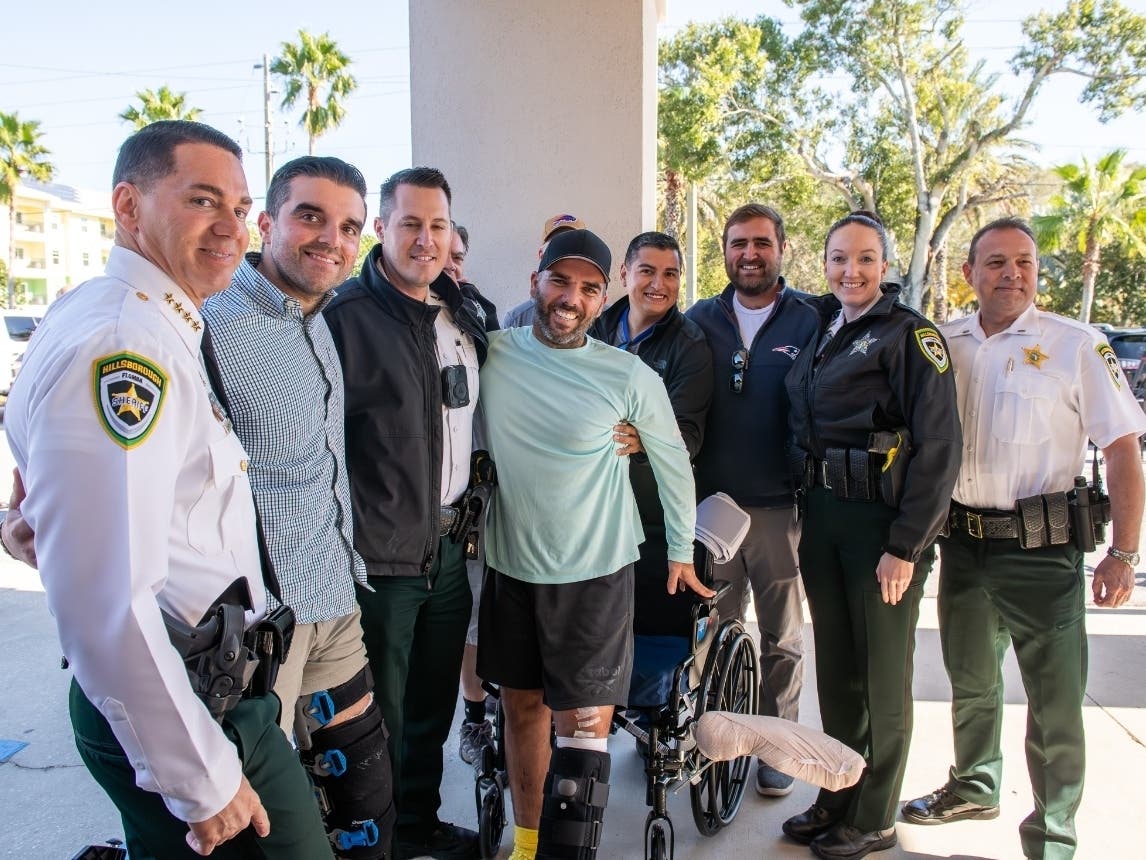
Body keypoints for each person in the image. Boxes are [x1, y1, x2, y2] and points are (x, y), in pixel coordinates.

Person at [3, 121, 332, 858]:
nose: (231, 227)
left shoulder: (128, 317)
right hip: (187, 702)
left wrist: (34, 528)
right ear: (129, 206)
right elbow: (106, 600)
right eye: (202, 200)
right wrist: (202, 781)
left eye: (242, 208)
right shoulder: (126, 344)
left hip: (201, 687)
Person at [901, 218, 1146, 860]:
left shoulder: (1076, 347)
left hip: (1043, 551)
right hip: (963, 545)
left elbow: (1122, 449)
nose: (1012, 274)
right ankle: (975, 784)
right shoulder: (944, 343)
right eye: (996, 262)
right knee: (972, 679)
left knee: (1055, 699)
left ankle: (1053, 833)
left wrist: (1123, 552)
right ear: (970, 273)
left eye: (1024, 262)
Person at [476, 228, 714, 860]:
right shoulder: (494, 354)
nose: (570, 299)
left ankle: (568, 851)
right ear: (536, 284)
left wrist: (683, 552)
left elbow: (672, 465)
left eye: (587, 288)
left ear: (602, 296)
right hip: (511, 566)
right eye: (560, 281)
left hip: (596, 571)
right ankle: (528, 846)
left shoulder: (628, 373)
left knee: (583, 725)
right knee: (522, 711)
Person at [201, 155, 395, 859]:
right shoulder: (208, 322)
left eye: (347, 226)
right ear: (268, 221)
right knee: (269, 828)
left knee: (368, 800)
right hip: (261, 626)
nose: (331, 239)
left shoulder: (319, 320)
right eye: (310, 216)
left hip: (334, 596)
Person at [325, 167, 497, 860]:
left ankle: (420, 824)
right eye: (411, 224)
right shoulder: (342, 322)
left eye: (438, 226)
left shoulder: (460, 314)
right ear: (381, 229)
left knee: (432, 707)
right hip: (383, 561)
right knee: (383, 718)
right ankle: (384, 841)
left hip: (451, 550)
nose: (427, 240)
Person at [782, 211, 961, 859]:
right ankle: (838, 792)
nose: (849, 271)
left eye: (863, 258)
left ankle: (877, 813)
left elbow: (940, 446)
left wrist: (906, 545)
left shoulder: (908, 337)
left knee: (882, 674)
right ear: (824, 264)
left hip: (881, 527)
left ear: (883, 266)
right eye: (837, 258)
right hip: (825, 518)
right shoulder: (825, 330)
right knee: (838, 670)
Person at [685, 203, 819, 796]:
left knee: (782, 637)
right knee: (711, 631)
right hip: (711, 508)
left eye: (761, 242)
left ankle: (776, 746)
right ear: (725, 250)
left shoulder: (811, 319)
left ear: (781, 247)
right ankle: (714, 739)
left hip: (779, 509)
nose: (750, 254)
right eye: (739, 243)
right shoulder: (699, 319)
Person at [590, 231, 713, 636]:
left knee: (643, 635)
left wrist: (645, 438)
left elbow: (686, 436)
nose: (659, 285)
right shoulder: (594, 327)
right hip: (591, 511)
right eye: (647, 271)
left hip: (651, 514)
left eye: (670, 274)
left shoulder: (691, 345)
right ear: (624, 274)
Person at [501, 213, 586, 328]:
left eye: (573, 245)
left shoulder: (605, 320)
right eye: (556, 246)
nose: (565, 252)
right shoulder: (516, 320)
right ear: (541, 254)